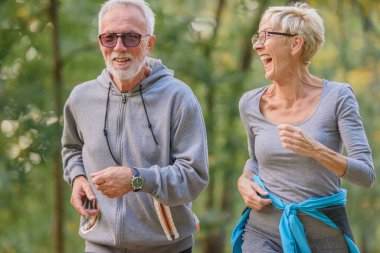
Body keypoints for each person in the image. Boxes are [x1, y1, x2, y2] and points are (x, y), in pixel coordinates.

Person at [61, 0, 209, 252]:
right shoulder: (81, 97)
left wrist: (137, 179)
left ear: (149, 43)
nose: (119, 47)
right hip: (99, 243)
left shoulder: (178, 97)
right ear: (100, 42)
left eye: (131, 37)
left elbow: (194, 177)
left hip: (167, 246)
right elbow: (72, 148)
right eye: (110, 38)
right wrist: (77, 178)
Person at [231, 2, 375, 253]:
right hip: (262, 232)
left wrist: (316, 150)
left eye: (265, 36)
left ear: (295, 44)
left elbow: (366, 175)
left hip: (324, 234)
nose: (257, 45)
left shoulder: (338, 97)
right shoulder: (250, 103)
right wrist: (243, 180)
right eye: (257, 37)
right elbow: (255, 161)